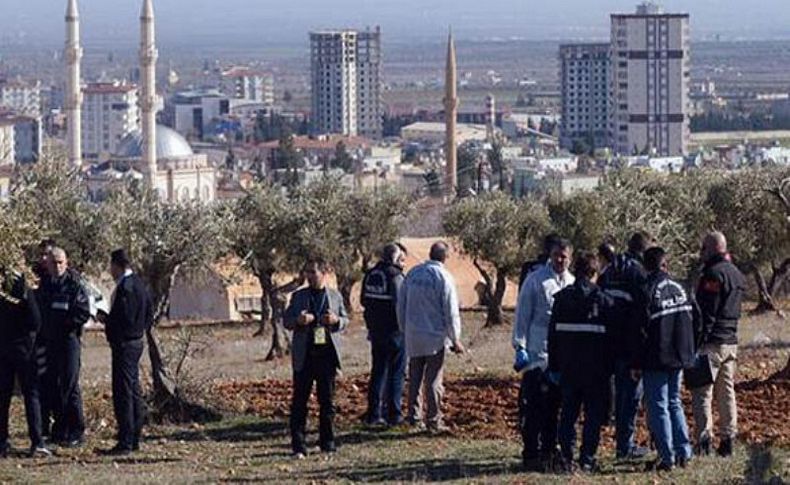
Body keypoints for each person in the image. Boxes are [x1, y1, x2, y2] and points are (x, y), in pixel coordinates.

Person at [548, 252, 617, 473]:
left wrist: (554, 366)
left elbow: (553, 337)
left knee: (568, 413)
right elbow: (611, 341)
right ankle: (587, 458)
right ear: (594, 273)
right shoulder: (604, 301)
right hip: (596, 373)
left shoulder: (561, 299)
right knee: (593, 417)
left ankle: (567, 458)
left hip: (568, 369)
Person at [513, 238, 574, 471]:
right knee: (534, 407)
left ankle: (549, 452)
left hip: (560, 357)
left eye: (564, 256)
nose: (560, 260)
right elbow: (522, 314)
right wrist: (520, 346)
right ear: (550, 255)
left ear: (570, 257)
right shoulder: (536, 280)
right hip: (537, 352)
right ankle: (530, 454)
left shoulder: (571, 282)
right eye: (557, 255)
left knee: (554, 408)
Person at [634, 247, 695, 471]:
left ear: (645, 267)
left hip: (656, 358)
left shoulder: (645, 290)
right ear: (665, 264)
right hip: (680, 356)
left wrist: (636, 362)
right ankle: (684, 452)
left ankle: (667, 457)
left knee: (659, 407)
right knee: (674, 402)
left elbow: (640, 332)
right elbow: (696, 319)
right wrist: (691, 349)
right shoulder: (684, 287)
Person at [284, 258, 349, 458]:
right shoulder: (298, 296)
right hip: (305, 356)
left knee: (327, 401)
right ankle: (298, 445)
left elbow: (346, 319)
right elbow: (286, 321)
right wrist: (299, 320)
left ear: (324, 273)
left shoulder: (335, 296)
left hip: (327, 356)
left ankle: (327, 442)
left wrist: (336, 321)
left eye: (313, 272)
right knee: (299, 402)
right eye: (307, 272)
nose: (310, 276)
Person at [398, 241, 464, 433]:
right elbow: (450, 311)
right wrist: (455, 338)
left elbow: (401, 304)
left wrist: (404, 328)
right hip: (434, 337)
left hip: (413, 335)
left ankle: (413, 416)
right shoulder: (444, 277)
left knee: (415, 377)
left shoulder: (413, 273)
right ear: (445, 257)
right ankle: (433, 419)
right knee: (434, 379)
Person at [692, 232, 746, 458]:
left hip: (712, 343)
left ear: (713, 249)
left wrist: (698, 342)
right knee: (727, 392)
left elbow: (708, 312)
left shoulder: (713, 274)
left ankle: (704, 441)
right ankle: (728, 440)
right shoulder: (736, 273)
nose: (701, 253)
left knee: (702, 392)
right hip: (731, 342)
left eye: (703, 248)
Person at [598, 232, 651, 460]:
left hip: (608, 343)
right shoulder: (638, 273)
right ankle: (624, 446)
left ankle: (621, 444)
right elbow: (643, 313)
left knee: (619, 395)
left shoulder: (609, 270)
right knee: (630, 397)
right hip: (630, 346)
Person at [37, 247, 90, 447]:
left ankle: (76, 430)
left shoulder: (74, 286)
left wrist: (63, 325)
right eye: (53, 263)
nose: (57, 266)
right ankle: (59, 430)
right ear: (48, 264)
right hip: (50, 344)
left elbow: (82, 313)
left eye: (60, 262)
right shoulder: (45, 286)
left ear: (66, 263)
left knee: (70, 385)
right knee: (53, 386)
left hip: (68, 342)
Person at [103, 249, 153, 455]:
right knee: (133, 389)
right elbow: (149, 314)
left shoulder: (126, 288)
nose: (110, 270)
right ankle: (133, 436)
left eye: (111, 266)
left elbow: (122, 318)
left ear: (117, 265)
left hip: (124, 344)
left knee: (124, 392)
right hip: (136, 341)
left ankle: (126, 439)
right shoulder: (140, 285)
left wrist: (106, 320)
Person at [0, 267, 51, 458]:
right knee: (31, 395)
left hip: (2, 348)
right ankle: (37, 441)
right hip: (24, 350)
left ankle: (2, 440)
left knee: (3, 397)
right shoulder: (22, 289)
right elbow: (35, 320)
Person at [361, 243, 406, 427]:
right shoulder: (394, 276)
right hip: (394, 332)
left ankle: (373, 414)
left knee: (378, 372)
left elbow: (363, 300)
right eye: (402, 259)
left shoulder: (371, 274)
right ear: (395, 258)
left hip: (375, 331)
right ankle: (393, 415)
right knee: (396, 373)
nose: (403, 263)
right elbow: (400, 304)